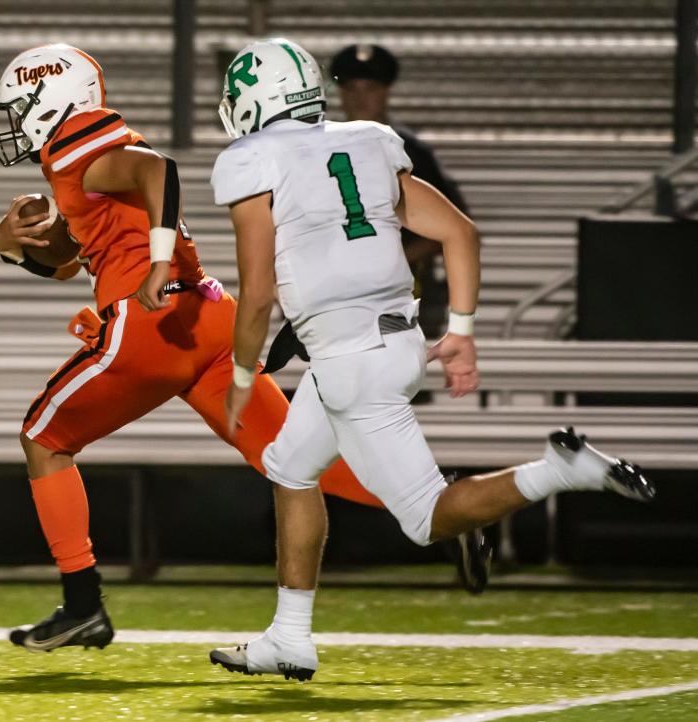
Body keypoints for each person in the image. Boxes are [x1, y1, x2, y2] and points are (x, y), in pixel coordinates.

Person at [207, 38, 655, 681]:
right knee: (290, 466)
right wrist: (464, 331)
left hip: (350, 361)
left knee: (425, 518)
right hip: (398, 340)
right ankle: (289, 639)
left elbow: (255, 295)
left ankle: (562, 470)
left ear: (254, 98)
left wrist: (242, 377)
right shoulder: (367, 139)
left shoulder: (251, 159)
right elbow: (459, 234)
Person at [0, 43, 417, 653]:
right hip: (210, 316)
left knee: (43, 438)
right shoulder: (81, 159)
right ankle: (441, 506)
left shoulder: (74, 140)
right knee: (290, 458)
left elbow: (157, 169)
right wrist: (8, 245)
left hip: (151, 324)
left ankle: (82, 604)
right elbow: (66, 262)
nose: (14, 121)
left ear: (49, 100)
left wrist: (157, 261)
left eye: (19, 105)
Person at [330, 43, 468, 339]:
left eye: (370, 87)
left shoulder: (410, 153)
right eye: (352, 88)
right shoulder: (318, 149)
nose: (360, 97)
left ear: (386, 92)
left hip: (401, 294)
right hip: (334, 294)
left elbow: (452, 228)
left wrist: (393, 260)